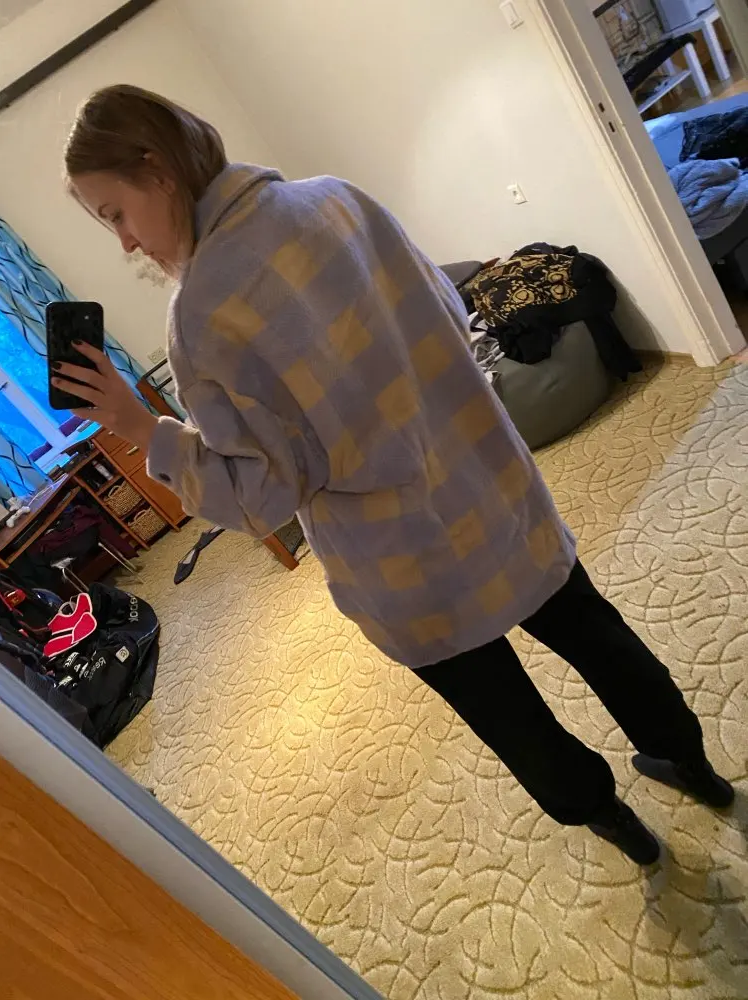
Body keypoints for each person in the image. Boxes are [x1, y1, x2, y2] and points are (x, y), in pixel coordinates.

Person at [57, 85, 734, 866]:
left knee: (507, 712)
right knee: (592, 630)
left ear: (158, 169)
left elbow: (261, 496)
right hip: (486, 483)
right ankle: (691, 760)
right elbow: (449, 311)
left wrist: (147, 430)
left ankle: (613, 822)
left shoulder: (201, 316)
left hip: (404, 563)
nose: (125, 243)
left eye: (115, 214)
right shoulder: (334, 199)